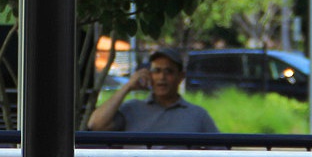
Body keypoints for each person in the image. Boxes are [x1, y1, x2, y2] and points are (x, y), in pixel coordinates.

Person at [88, 47, 219, 132]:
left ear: (181, 76)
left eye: (169, 71)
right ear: (149, 74)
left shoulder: (198, 115)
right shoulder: (132, 109)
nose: (162, 77)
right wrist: (127, 87)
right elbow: (95, 125)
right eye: (157, 71)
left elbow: (220, 153)